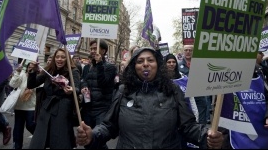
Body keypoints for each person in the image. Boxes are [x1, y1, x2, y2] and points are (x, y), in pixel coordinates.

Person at [76, 47, 224, 149]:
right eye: (140, 61)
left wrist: (207, 136)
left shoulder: (173, 90)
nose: (145, 64)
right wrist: (92, 135)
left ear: (158, 66)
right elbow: (109, 126)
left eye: (150, 60)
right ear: (134, 67)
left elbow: (189, 126)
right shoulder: (123, 91)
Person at [220, 50, 268, 149]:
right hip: (236, 135)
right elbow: (220, 110)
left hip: (262, 130)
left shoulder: (259, 72)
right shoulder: (223, 75)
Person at [27, 48, 80, 149]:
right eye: (57, 57)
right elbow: (31, 85)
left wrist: (72, 90)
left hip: (63, 109)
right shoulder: (48, 70)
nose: (59, 59)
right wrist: (32, 71)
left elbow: (77, 88)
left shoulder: (73, 71)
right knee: (39, 141)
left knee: (60, 141)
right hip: (47, 108)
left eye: (63, 57)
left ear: (67, 59)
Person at [80, 39, 117, 149]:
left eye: (94, 48)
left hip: (102, 109)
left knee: (99, 138)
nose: (92, 51)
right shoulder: (87, 67)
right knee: (87, 139)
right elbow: (83, 80)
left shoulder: (110, 67)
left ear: (103, 51)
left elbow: (103, 83)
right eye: (91, 48)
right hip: (88, 108)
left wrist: (100, 64)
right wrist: (83, 87)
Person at [164, 53, 199, 149]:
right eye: (169, 62)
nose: (171, 64)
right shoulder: (161, 80)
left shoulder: (184, 79)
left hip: (186, 119)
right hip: (169, 121)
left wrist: (195, 116)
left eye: (173, 62)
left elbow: (191, 99)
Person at [9, 62, 37, 149]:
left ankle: (40, 137)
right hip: (20, 106)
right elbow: (12, 84)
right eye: (29, 67)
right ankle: (17, 146)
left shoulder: (38, 76)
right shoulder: (22, 75)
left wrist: (32, 89)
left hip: (31, 107)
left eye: (33, 67)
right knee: (18, 128)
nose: (30, 68)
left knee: (30, 125)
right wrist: (17, 72)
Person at [178, 45, 208, 124]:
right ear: (183, 51)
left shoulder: (200, 64)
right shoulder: (178, 65)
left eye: (190, 50)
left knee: (202, 117)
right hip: (186, 97)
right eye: (186, 50)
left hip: (199, 94)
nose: (188, 52)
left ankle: (201, 132)